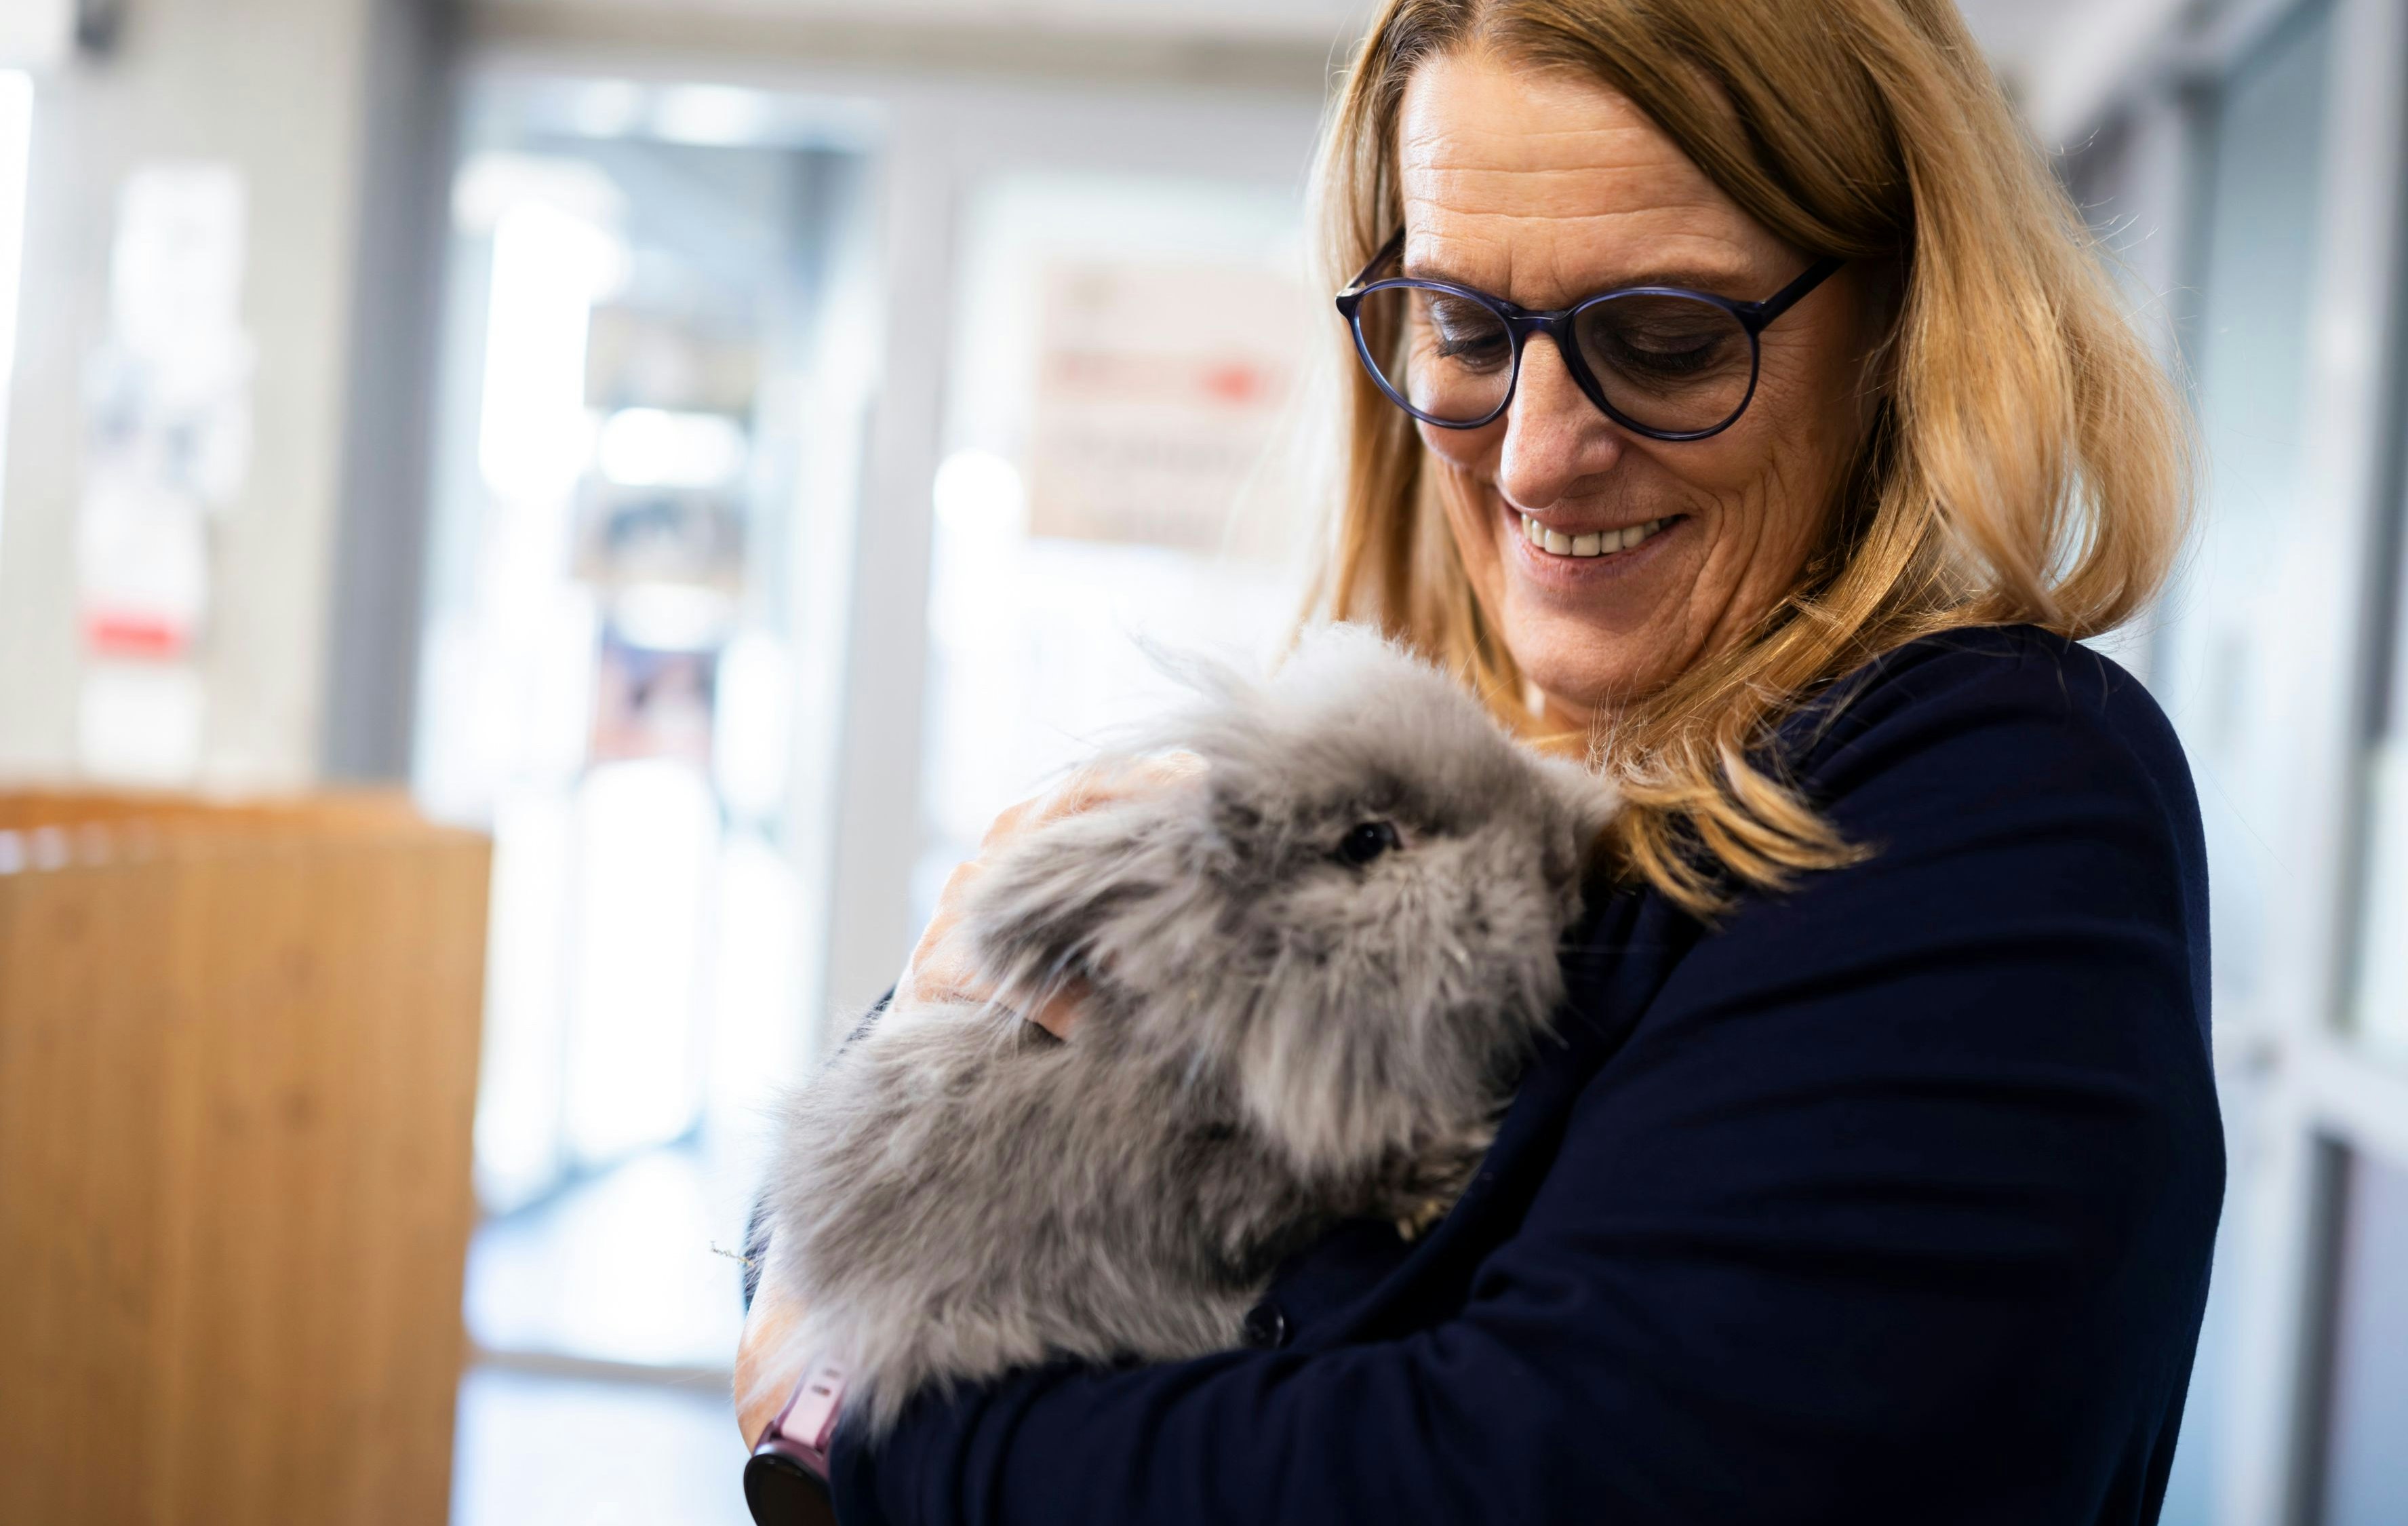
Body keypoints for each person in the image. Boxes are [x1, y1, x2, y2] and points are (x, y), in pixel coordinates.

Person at [739, 0, 2222, 1519]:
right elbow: (897, 1189)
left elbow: (1528, 1483)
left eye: (1664, 338)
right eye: (1461, 327)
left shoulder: (1992, 785)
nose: (1531, 455)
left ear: (1907, 314)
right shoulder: (1449, 742)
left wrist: (876, 1424)